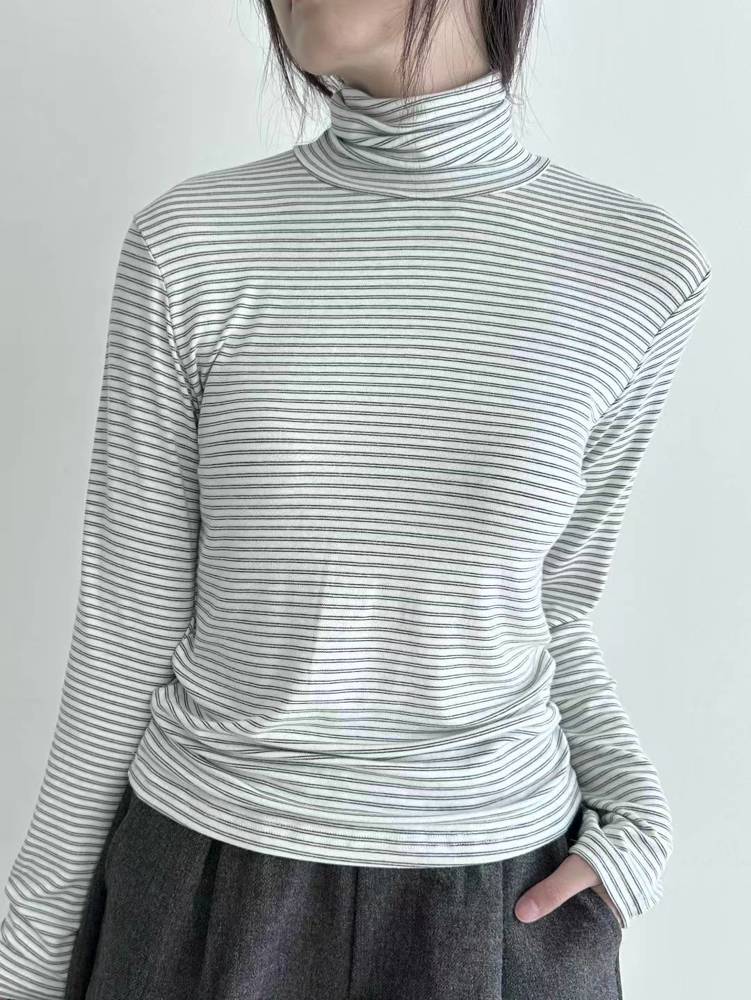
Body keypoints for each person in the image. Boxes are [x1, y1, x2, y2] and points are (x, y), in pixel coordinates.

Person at [0, 1, 712, 997]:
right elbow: (130, 621)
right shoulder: (191, 245)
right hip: (205, 877)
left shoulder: (638, 268)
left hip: (501, 899)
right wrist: (30, 943)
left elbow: (552, 602)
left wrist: (637, 813)